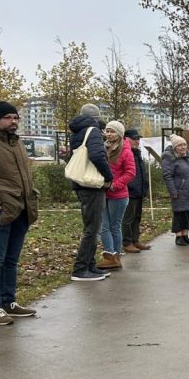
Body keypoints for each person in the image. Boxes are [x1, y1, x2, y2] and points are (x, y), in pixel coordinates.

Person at [0, 101, 40, 325]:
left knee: (11, 259)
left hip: (21, 208)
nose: (13, 121)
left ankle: (9, 302)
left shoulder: (16, 143)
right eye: (8, 117)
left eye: (16, 118)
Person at [69, 103, 114, 282]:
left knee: (92, 226)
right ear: (96, 117)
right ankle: (81, 268)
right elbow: (97, 156)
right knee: (92, 228)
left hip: (81, 183)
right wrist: (108, 176)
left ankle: (89, 265)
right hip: (92, 185)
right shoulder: (93, 131)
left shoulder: (77, 132)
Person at [97, 120, 135, 270]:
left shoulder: (126, 150)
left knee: (115, 226)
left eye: (113, 131)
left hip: (118, 195)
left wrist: (114, 185)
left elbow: (130, 172)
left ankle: (116, 255)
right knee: (104, 226)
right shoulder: (103, 148)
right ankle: (109, 256)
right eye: (107, 130)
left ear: (119, 134)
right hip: (103, 193)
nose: (109, 134)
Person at [162, 134, 189, 245]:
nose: (183, 147)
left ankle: (185, 235)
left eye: (184, 144)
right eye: (179, 145)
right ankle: (179, 237)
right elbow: (167, 176)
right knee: (180, 214)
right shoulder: (169, 158)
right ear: (175, 147)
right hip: (179, 191)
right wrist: (173, 192)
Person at [121, 129, 152, 253]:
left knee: (137, 217)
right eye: (134, 138)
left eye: (138, 139)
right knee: (128, 218)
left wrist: (144, 187)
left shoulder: (137, 153)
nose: (137, 141)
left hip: (139, 191)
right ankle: (127, 242)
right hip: (130, 191)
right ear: (126, 139)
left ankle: (135, 239)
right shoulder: (124, 152)